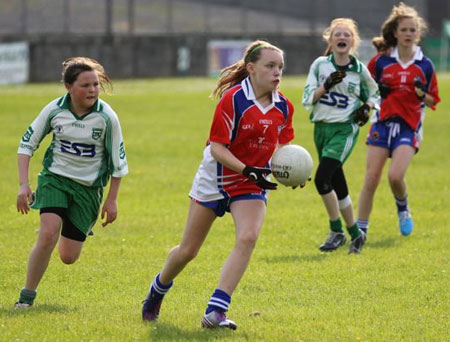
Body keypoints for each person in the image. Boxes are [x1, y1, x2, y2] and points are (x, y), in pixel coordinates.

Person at [142, 40, 296, 330]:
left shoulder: (284, 107)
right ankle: (158, 289)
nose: (277, 73)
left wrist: (288, 171)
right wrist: (248, 169)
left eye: (280, 67)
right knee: (188, 250)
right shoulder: (233, 99)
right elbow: (217, 149)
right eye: (270, 66)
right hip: (216, 177)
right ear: (251, 69)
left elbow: (281, 145)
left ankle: (216, 311)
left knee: (248, 237)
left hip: (251, 182)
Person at [15, 57, 128, 308]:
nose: (92, 90)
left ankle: (64, 219)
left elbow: (119, 163)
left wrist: (112, 200)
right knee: (47, 234)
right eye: (85, 85)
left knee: (68, 256)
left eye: (95, 85)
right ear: (69, 87)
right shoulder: (54, 109)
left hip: (88, 189)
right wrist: (24, 185)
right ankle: (26, 298)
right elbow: (26, 145)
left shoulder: (107, 117)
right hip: (55, 179)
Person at [357, 3, 440, 238]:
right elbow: (365, 88)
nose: (409, 34)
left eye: (413, 30)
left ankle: (403, 208)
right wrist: (374, 94)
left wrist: (421, 94)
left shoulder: (425, 65)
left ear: (418, 33)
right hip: (382, 123)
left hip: (409, 126)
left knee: (395, 176)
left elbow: (434, 101)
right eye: (404, 29)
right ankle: (360, 230)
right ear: (395, 32)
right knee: (371, 178)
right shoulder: (381, 62)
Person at [302, 18, 380, 254]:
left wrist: (367, 107)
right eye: (338, 34)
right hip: (321, 129)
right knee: (337, 183)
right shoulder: (320, 65)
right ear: (330, 39)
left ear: (353, 41)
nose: (342, 37)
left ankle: (336, 231)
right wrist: (325, 86)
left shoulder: (358, 70)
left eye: (347, 34)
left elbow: (375, 93)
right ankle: (356, 235)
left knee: (321, 178)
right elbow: (308, 97)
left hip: (344, 129)